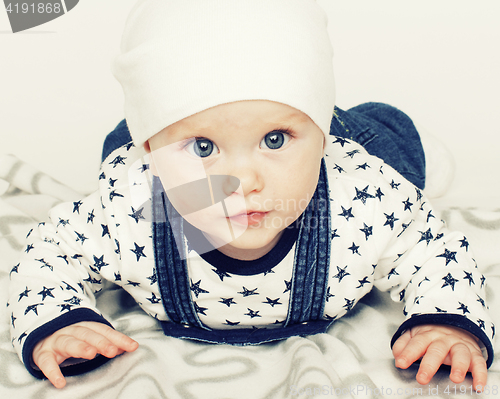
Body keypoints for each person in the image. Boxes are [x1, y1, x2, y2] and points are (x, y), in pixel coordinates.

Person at [8, 0, 494, 391]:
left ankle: (334, 123)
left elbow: (436, 252)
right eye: (203, 147)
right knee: (129, 143)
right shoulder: (134, 208)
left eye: (275, 139)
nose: (244, 179)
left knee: (394, 153)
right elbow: (48, 254)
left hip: (347, 149)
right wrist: (56, 321)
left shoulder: (363, 198)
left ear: (320, 137)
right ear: (151, 155)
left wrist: (445, 320)